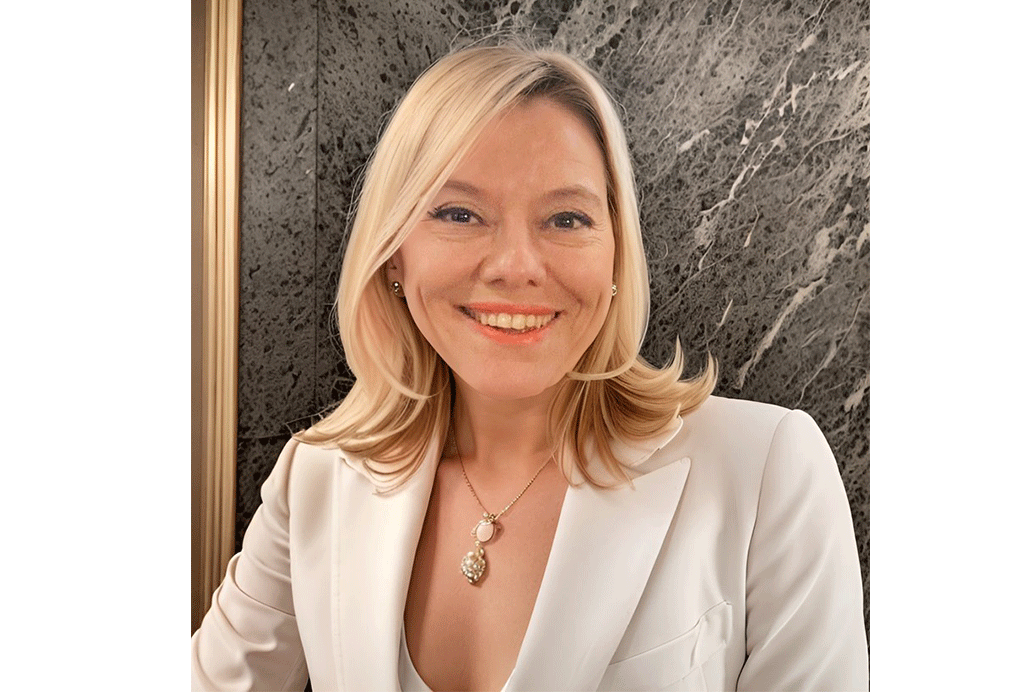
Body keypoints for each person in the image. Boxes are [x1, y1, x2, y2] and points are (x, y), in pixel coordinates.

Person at [192, 43, 868, 692]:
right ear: (394, 252)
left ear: (616, 254)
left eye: (566, 219)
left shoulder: (767, 471)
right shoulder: (315, 478)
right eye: (460, 213)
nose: (516, 266)